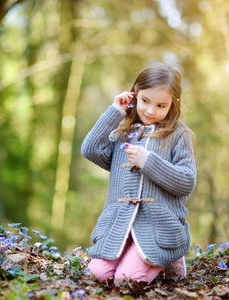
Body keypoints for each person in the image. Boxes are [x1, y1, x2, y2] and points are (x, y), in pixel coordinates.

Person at [81, 63, 197, 284]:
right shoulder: (123, 133)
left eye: (161, 105)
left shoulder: (178, 135)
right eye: (145, 101)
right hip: (120, 224)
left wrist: (147, 161)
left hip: (158, 227)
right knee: (98, 275)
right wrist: (115, 111)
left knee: (127, 280)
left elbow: (186, 181)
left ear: (174, 104)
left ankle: (170, 255)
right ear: (134, 95)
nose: (151, 110)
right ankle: (133, 254)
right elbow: (90, 150)